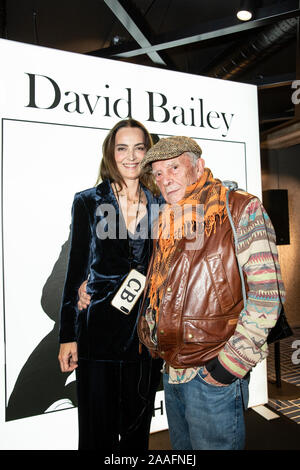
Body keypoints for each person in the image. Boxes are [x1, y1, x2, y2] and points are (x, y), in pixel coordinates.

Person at [136, 135, 285, 450]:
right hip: (172, 367)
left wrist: (228, 366)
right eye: (158, 173)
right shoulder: (167, 219)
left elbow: (266, 296)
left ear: (198, 165)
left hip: (212, 372)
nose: (165, 179)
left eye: (174, 167)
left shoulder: (240, 207)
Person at [58, 118, 162, 451]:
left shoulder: (162, 206)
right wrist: (67, 336)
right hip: (98, 336)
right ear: (110, 153)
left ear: (148, 153)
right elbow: (75, 272)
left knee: (136, 434)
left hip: (144, 339)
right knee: (95, 435)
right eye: (122, 148)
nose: (130, 156)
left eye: (139, 147)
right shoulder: (89, 201)